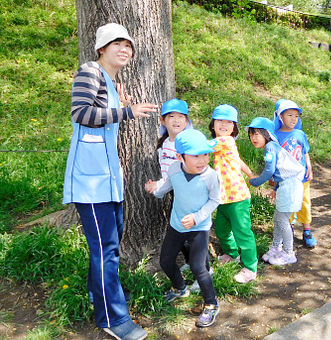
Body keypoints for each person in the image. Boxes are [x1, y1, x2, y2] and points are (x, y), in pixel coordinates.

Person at [62, 23, 157, 340]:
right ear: (101, 48)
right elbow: (81, 113)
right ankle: (112, 320)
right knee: (107, 250)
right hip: (91, 183)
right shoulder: (90, 71)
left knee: (107, 247)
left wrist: (120, 105)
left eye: (128, 45)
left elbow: (104, 113)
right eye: (117, 43)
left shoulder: (111, 82)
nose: (124, 49)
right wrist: (126, 112)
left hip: (108, 179)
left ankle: (98, 293)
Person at [145, 129, 221, 328]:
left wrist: (197, 218)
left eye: (205, 154)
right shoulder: (174, 169)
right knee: (166, 261)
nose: (202, 160)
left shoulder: (211, 176)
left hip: (200, 228)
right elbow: (167, 186)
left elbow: (215, 200)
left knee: (198, 267)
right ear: (180, 157)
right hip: (176, 225)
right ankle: (180, 288)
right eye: (196, 156)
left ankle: (211, 303)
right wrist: (155, 191)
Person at [208, 104, 258, 284]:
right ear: (213, 124)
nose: (224, 125)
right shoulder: (225, 145)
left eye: (229, 122)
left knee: (242, 232)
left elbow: (203, 147)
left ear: (234, 128)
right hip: (223, 197)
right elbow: (238, 161)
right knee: (221, 228)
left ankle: (250, 267)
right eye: (220, 120)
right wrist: (250, 173)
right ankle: (231, 253)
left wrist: (184, 145)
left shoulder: (225, 141)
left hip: (237, 197)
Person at [246, 117, 305, 266]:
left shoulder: (270, 147)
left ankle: (289, 252)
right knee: (278, 218)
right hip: (287, 185)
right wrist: (276, 188)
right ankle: (276, 247)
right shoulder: (274, 147)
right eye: (251, 134)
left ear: (267, 134)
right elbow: (281, 171)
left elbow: (269, 171)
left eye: (257, 134)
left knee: (282, 220)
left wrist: (256, 181)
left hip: (291, 186)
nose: (253, 138)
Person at [273, 99, 317, 248]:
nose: (293, 119)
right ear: (280, 117)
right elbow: (275, 158)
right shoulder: (276, 136)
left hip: (302, 178)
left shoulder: (299, 134)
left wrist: (309, 167)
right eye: (289, 115)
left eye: (296, 116)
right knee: (287, 204)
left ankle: (307, 230)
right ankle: (288, 228)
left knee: (304, 203)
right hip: (285, 179)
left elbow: (305, 153)